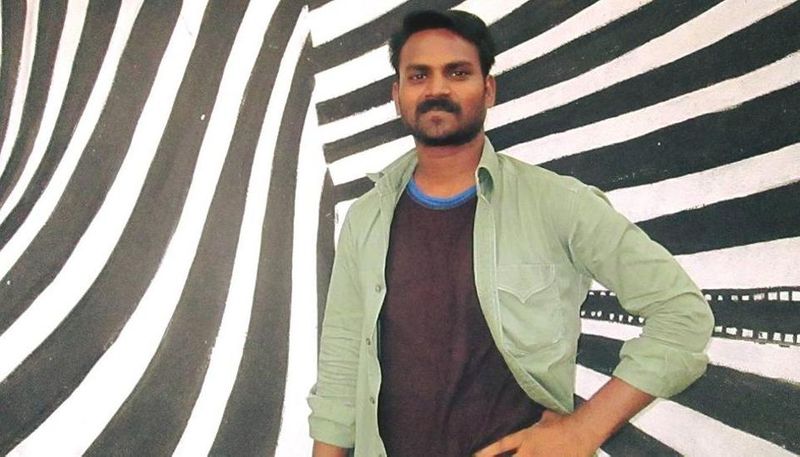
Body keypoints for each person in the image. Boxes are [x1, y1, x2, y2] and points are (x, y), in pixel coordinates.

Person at [308, 9, 713, 457]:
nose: (437, 89)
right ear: (397, 95)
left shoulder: (558, 203)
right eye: (418, 75)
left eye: (457, 73)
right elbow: (341, 370)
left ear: (488, 90)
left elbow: (683, 315)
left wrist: (584, 431)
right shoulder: (366, 218)